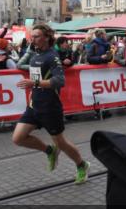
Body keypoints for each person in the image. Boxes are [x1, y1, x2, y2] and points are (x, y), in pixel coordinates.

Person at [13, 24, 89, 184]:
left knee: (61, 142)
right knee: (18, 138)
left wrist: (35, 82)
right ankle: (49, 151)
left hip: (50, 107)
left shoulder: (51, 56)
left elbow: (59, 81)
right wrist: (33, 83)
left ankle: (82, 165)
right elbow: (23, 68)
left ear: (46, 37)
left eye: (36, 36)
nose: (32, 39)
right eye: (31, 36)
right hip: (34, 105)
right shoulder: (34, 55)